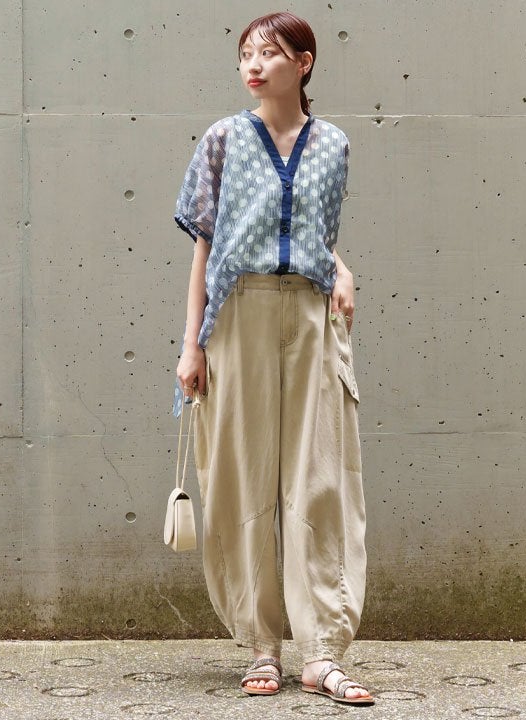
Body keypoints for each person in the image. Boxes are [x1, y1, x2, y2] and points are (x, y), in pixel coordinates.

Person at [174, 11, 373, 706]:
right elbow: (206, 246)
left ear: (304, 62)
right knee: (245, 480)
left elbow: (315, 231)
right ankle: (262, 643)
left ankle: (322, 653)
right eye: (246, 55)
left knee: (320, 480)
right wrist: (191, 343)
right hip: (240, 315)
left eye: (269, 53)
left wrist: (341, 268)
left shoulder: (333, 144)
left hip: (313, 318)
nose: (253, 66)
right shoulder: (223, 140)